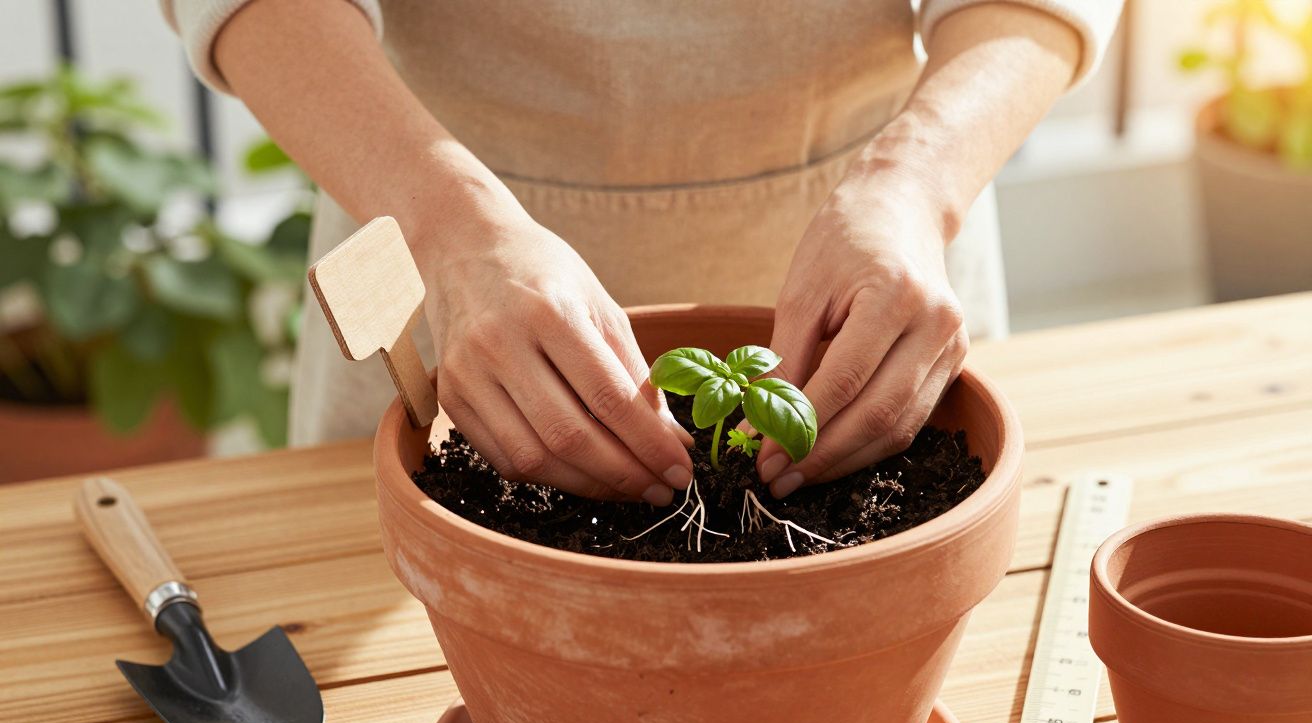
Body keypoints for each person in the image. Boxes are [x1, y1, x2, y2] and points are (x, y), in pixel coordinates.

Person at [163, 0, 1121, 505]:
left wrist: (915, 183)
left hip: (873, 248)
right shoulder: (435, 231)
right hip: (421, 218)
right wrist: (448, 227)